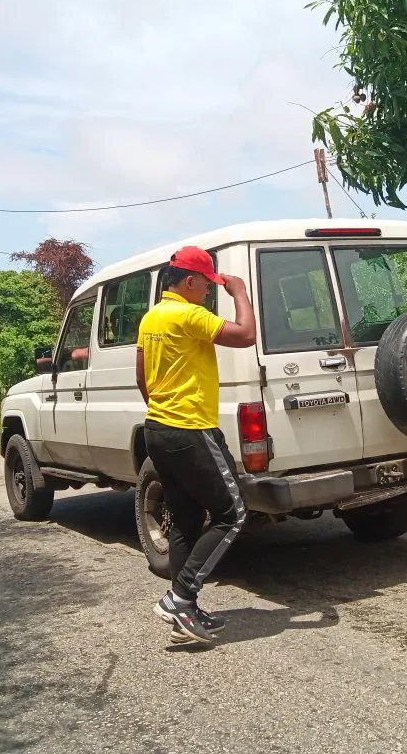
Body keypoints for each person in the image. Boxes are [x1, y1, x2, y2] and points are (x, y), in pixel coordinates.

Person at [135, 246, 256, 645]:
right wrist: (239, 292)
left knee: (186, 520)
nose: (209, 291)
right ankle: (180, 596)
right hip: (190, 429)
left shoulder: (151, 317)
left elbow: (143, 378)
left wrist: (164, 410)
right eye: (207, 284)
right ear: (189, 281)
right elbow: (245, 334)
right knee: (232, 513)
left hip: (158, 427)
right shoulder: (188, 314)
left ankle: (185, 610)